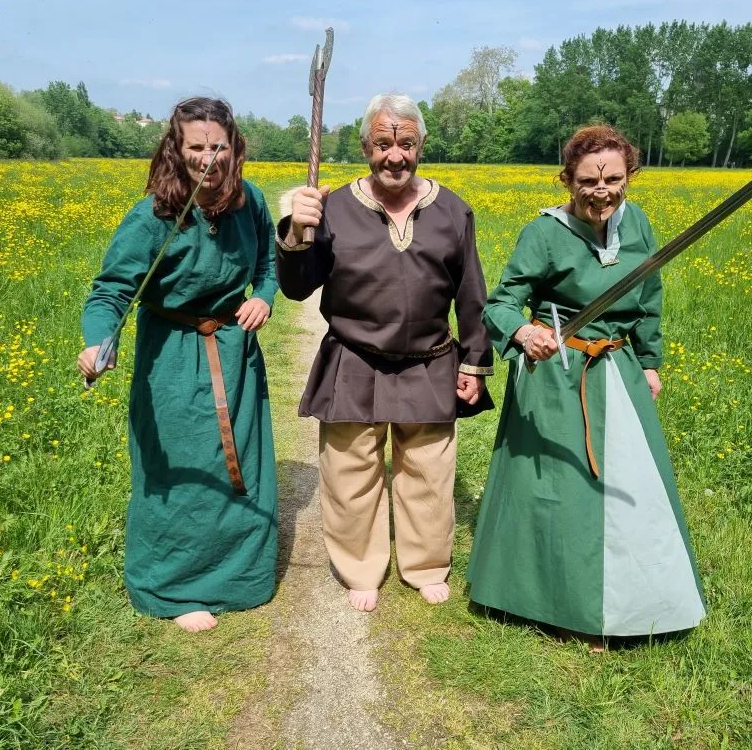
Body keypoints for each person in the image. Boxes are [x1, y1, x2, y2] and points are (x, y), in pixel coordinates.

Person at [466, 124, 706, 644]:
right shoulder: (544, 233)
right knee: (559, 490)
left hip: (617, 371)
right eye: (589, 182)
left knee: (626, 487)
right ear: (567, 181)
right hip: (558, 370)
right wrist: (524, 331)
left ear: (630, 175)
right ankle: (548, 601)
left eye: (615, 179)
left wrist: (649, 361)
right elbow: (501, 304)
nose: (603, 191)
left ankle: (635, 599)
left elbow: (648, 298)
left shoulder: (637, 222)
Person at [277, 93, 494, 613]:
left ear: (420, 145)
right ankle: (361, 567)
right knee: (350, 473)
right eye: (382, 144)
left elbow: (471, 293)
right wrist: (295, 232)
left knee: (428, 472)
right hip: (354, 359)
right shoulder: (332, 209)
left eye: (405, 143)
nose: (394, 156)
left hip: (429, 358)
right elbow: (297, 289)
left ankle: (424, 565)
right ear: (365, 147)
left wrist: (474, 360)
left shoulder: (451, 209)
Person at [77, 97, 279, 633]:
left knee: (241, 470)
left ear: (233, 147)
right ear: (176, 148)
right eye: (196, 147)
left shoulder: (249, 201)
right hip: (170, 356)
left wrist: (264, 295)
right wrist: (100, 342)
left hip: (235, 351)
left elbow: (267, 262)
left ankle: (241, 576)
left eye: (218, 146)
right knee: (178, 471)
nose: (208, 158)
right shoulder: (152, 216)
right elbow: (111, 291)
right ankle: (173, 586)